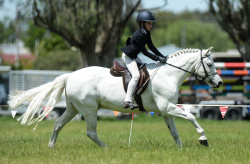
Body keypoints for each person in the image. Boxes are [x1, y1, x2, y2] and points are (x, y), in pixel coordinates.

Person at [120, 10, 166, 109]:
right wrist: (158, 58)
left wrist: (163, 56)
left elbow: (152, 47)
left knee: (144, 69)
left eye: (151, 23)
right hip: (128, 56)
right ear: (142, 23)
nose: (151, 25)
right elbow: (145, 52)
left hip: (134, 55)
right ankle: (127, 100)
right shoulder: (139, 35)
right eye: (149, 23)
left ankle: (137, 94)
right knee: (136, 76)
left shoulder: (146, 32)